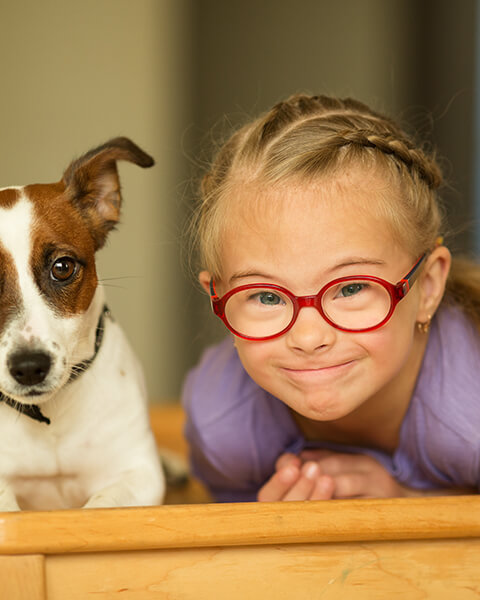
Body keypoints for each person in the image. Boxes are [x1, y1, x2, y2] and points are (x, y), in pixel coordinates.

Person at [182, 93, 480, 502]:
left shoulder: (470, 413)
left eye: (352, 288)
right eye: (267, 296)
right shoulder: (225, 426)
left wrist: (406, 502)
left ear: (427, 287)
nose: (308, 338)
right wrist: (264, 531)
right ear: (217, 298)